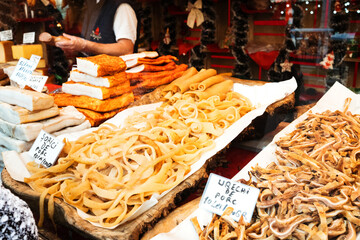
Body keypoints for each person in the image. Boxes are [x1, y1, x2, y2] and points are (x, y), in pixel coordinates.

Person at [55, 0, 137, 56]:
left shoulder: (122, 7)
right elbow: (92, 44)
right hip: (91, 75)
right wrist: (75, 48)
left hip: (114, 77)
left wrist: (85, 46)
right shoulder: (91, 5)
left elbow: (126, 50)